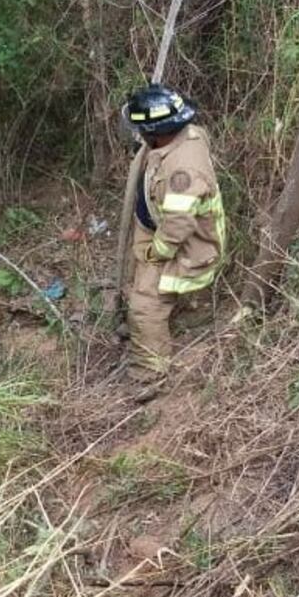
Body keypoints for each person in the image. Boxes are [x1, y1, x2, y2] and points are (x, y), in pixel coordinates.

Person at [121, 84, 226, 400]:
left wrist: (157, 252)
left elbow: (178, 226)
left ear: (156, 131)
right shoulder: (183, 136)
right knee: (137, 277)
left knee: (144, 307)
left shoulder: (183, 171)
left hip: (185, 246)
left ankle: (149, 374)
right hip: (157, 224)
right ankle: (163, 321)